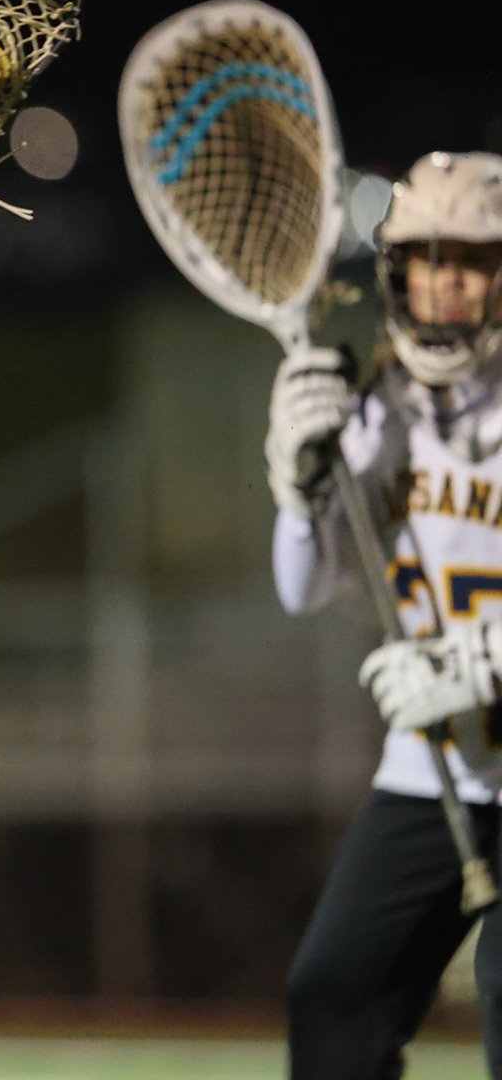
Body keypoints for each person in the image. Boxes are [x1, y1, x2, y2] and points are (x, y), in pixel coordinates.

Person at [269, 151, 502, 1078]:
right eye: (428, 257)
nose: (448, 281)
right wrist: (296, 486)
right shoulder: (374, 407)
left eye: (475, 257)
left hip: (464, 720)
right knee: (334, 995)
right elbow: (304, 585)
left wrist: (477, 662)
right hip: (436, 765)